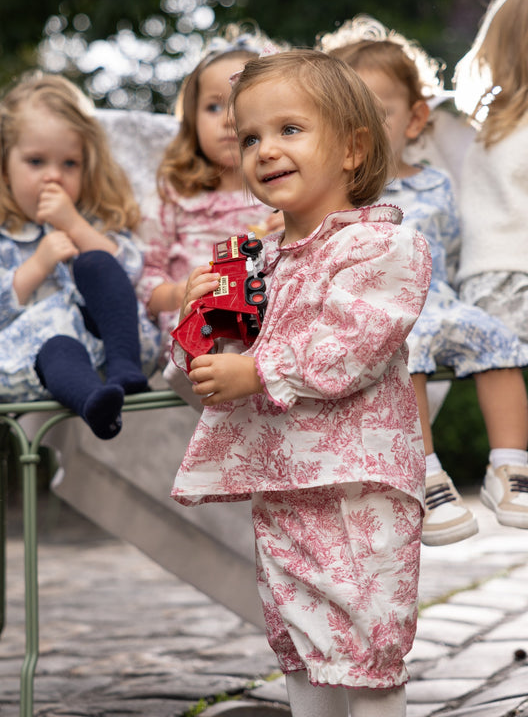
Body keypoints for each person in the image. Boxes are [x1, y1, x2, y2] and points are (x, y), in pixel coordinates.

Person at [170, 50, 432, 716]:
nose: (262, 150)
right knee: (302, 640)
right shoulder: (255, 261)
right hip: (283, 485)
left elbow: (355, 345)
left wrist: (257, 368)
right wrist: (202, 324)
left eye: (290, 130)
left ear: (352, 148)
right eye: (251, 136)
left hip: (357, 487)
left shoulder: (380, 248)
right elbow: (202, 379)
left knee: (367, 635)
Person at [321, 16, 528, 545]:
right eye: (345, 115)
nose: (360, 128)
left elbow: (453, 249)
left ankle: (509, 469)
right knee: (403, 346)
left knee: (500, 340)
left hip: (441, 299)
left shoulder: (436, 182)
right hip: (384, 310)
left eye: (379, 112)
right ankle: (426, 473)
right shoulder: (337, 194)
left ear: (414, 120)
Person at [0, 72, 159, 440]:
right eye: (36, 162)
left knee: (98, 263)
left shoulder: (92, 220)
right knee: (56, 343)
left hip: (113, 349)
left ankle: (126, 371)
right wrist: (37, 265)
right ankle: (94, 404)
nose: (54, 177)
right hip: (35, 360)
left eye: (70, 164)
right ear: (4, 167)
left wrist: (77, 228)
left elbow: (132, 272)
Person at [138, 25, 285, 366]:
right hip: (196, 323)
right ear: (191, 120)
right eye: (213, 108)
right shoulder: (174, 195)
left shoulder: (284, 189)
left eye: (243, 105)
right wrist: (178, 294)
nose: (229, 119)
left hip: (271, 320)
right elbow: (146, 276)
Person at [453, 0, 528, 529]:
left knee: (499, 355)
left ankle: (509, 467)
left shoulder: (481, 127)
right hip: (511, 277)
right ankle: (509, 468)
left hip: (482, 283)